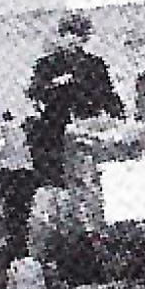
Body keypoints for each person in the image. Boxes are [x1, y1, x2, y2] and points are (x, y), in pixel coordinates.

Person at [23, 12, 123, 185]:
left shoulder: (95, 64)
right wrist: (55, 84)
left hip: (87, 126)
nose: (71, 38)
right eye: (66, 33)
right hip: (55, 127)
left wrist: (119, 118)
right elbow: (34, 91)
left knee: (89, 174)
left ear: (84, 38)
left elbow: (108, 95)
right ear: (60, 36)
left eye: (77, 34)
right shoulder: (46, 64)